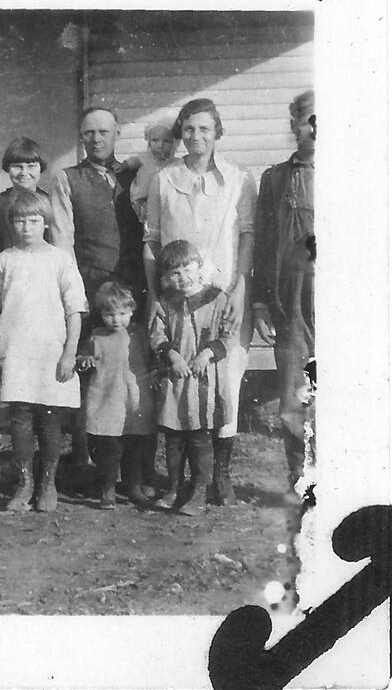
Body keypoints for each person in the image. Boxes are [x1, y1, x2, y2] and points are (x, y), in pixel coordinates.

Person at [144, 98, 258, 506]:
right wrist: (155, 295)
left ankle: (219, 477)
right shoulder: (164, 178)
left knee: (224, 382)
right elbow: (151, 241)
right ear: (181, 133)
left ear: (217, 132)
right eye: (189, 129)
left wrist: (240, 289)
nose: (196, 137)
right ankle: (181, 481)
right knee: (182, 384)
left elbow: (247, 236)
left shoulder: (239, 179)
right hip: (177, 301)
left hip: (222, 296)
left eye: (204, 129)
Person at [44, 107, 146, 472]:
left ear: (117, 133)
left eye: (103, 131)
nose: (96, 139)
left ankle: (135, 465)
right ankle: (89, 460)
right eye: (89, 133)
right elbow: (63, 240)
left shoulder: (137, 175)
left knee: (134, 368)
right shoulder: (68, 178)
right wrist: (74, 293)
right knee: (93, 371)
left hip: (135, 288)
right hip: (90, 285)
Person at [0, 191, 86, 513]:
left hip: (50, 350)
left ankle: (48, 483)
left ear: (45, 223)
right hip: (15, 350)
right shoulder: (5, 259)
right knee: (21, 418)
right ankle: (24, 482)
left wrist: (70, 351)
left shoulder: (60, 259)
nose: (26, 227)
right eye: (19, 221)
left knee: (50, 418)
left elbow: (75, 309)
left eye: (33, 220)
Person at [253, 90, 315, 500]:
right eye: (309, 119)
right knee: (296, 396)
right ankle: (304, 482)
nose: (316, 128)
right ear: (294, 124)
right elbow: (261, 242)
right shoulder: (275, 178)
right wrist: (260, 300)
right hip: (291, 303)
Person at [149, 240, 239, 516]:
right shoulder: (166, 303)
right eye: (175, 273)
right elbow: (157, 335)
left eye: (188, 269)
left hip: (204, 383)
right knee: (174, 440)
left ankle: (199, 491)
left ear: (200, 268)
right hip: (176, 383)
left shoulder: (217, 298)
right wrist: (172, 356)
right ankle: (174, 488)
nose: (183, 277)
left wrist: (207, 354)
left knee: (199, 440)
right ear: (166, 277)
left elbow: (229, 336)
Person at [78, 281, 157, 509]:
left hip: (133, 398)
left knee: (134, 444)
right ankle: (108, 488)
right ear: (101, 314)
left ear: (132, 311)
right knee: (109, 448)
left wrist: (153, 375)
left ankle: (134, 487)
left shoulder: (139, 334)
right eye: (109, 314)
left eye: (122, 313)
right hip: (106, 398)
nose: (116, 319)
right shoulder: (96, 336)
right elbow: (83, 359)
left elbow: (151, 360)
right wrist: (85, 361)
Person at [0, 137, 49, 254]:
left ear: (40, 168)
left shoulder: (51, 203)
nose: (24, 173)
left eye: (31, 166)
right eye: (17, 166)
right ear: (8, 168)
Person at [124, 120, 179, 223]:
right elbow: (133, 162)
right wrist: (124, 165)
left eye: (166, 141)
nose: (160, 145)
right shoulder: (145, 157)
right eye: (155, 140)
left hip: (164, 198)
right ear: (148, 142)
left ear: (173, 143)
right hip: (144, 195)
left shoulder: (174, 162)